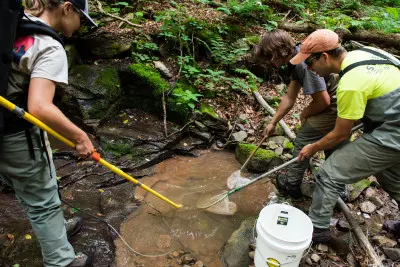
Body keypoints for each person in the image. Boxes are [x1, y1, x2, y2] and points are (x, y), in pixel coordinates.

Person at [0, 0, 97, 266]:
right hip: (16, 135)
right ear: (67, 8)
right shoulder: (49, 46)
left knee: (26, 185)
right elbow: (40, 107)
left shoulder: (13, 26)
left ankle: (54, 229)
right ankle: (61, 261)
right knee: (42, 199)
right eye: (81, 18)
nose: (80, 26)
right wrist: (81, 137)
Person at [292, 29, 400, 242]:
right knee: (393, 179)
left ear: (324, 56)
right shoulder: (367, 52)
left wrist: (313, 147)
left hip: (392, 133)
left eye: (309, 64)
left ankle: (318, 230)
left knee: (329, 174)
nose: (309, 70)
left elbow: (340, 134)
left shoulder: (350, 83)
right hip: (390, 125)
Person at [253, 29, 339, 198]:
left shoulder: (302, 63)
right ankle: (337, 187)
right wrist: (273, 122)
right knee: (332, 142)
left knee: (304, 138)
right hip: (340, 100)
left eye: (268, 57)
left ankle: (292, 185)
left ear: (276, 52)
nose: (269, 62)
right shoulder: (297, 57)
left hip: (339, 103)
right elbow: (289, 97)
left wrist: (305, 113)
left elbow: (323, 101)